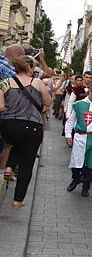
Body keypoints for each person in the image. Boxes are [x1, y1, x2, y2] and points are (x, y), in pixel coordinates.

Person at [0, 55, 52, 208]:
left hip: (8, 125)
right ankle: (18, 200)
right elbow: (48, 102)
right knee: (27, 164)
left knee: (16, 143)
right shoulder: (36, 82)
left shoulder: (5, 83)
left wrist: (12, 107)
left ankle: (9, 167)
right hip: (31, 126)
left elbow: (1, 107)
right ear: (29, 67)